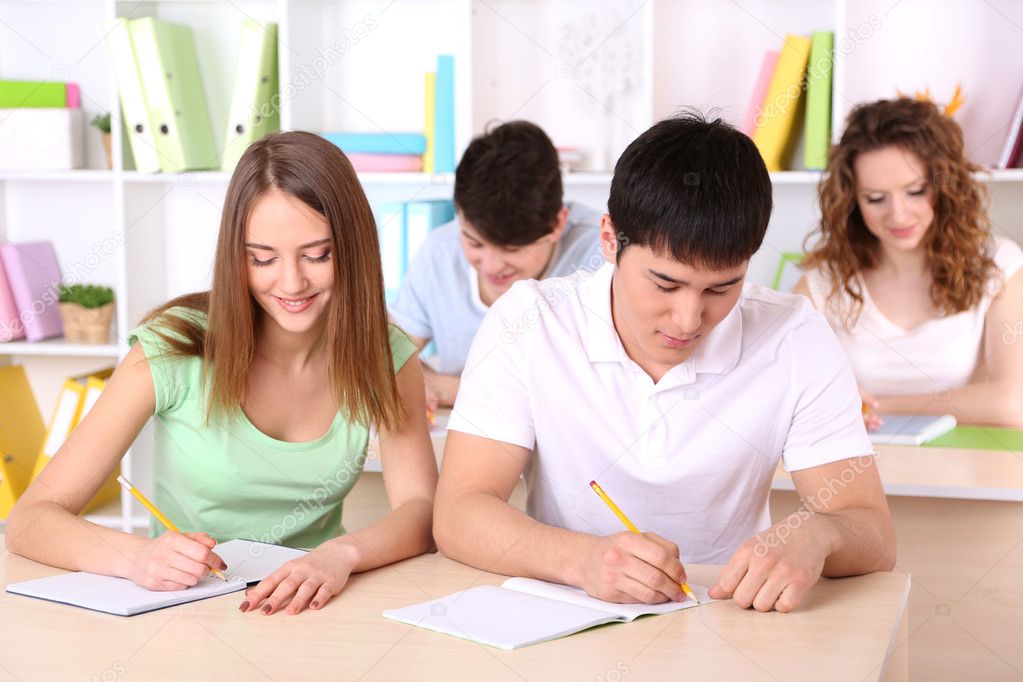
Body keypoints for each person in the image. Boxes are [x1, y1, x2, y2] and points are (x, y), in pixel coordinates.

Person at [433, 114, 895, 613]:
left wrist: (819, 532)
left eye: (722, 288)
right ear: (609, 240)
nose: (689, 318)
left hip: (729, 621)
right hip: (568, 617)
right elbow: (460, 512)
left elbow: (872, 531)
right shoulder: (528, 322)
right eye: (665, 284)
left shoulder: (795, 335)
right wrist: (583, 560)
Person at [7, 132, 438, 616]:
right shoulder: (172, 348)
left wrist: (340, 554)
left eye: (318, 255)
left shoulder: (384, 354)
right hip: (187, 607)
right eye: (263, 258)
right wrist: (137, 558)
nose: (292, 282)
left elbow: (421, 511)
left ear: (354, 248)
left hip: (317, 601)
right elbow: (30, 521)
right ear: (237, 256)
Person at [795, 98, 1023, 430]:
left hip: (965, 471)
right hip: (858, 468)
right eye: (875, 198)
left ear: (944, 186)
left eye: (915, 191)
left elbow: (1013, 404)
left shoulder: (999, 264)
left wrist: (872, 406)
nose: (898, 215)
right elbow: (783, 391)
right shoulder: (824, 282)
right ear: (852, 201)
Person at [389, 120, 603, 408]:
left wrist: (447, 389)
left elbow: (598, 391)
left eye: (511, 249)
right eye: (474, 243)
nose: (490, 266)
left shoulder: (603, 253)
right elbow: (388, 360)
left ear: (557, 224)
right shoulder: (439, 251)